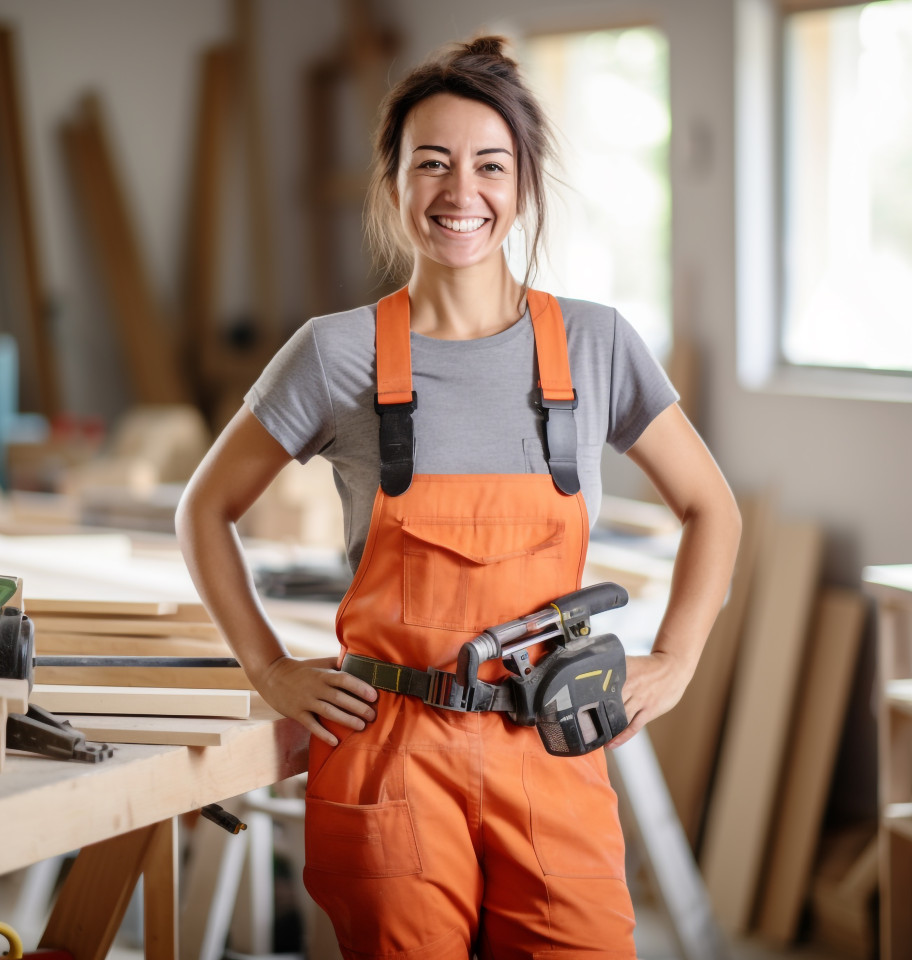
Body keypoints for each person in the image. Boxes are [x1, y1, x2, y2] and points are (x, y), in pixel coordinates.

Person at [176, 35, 742, 960]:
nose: (459, 192)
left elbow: (713, 508)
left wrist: (676, 658)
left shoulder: (596, 344)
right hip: (393, 750)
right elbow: (204, 510)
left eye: (489, 165)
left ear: (521, 184)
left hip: (553, 745)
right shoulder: (335, 354)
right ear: (393, 183)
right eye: (429, 164)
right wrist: (269, 669)